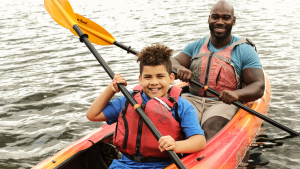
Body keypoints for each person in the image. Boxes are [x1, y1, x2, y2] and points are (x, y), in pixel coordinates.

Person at [86, 43, 206, 169]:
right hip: (124, 165)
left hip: (164, 165)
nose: (154, 82)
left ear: (171, 78)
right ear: (140, 79)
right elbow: (92, 115)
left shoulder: (182, 106)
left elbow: (199, 141)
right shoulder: (127, 100)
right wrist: (111, 89)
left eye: (160, 76)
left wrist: (176, 145)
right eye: (148, 77)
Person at [171, 1, 265, 141]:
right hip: (191, 99)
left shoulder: (245, 50)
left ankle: (204, 158)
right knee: (174, 126)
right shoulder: (196, 46)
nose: (220, 22)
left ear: (233, 21)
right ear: (209, 19)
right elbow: (171, 62)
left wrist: (236, 94)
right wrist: (180, 69)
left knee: (211, 129)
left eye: (225, 18)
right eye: (215, 17)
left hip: (222, 103)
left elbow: (259, 86)